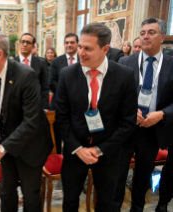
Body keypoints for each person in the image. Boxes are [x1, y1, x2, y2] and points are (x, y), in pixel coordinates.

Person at [55, 23, 137, 212]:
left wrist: (100, 150)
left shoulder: (124, 76)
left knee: (105, 203)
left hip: (108, 153)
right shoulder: (67, 74)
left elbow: (128, 122)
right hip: (75, 152)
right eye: (80, 47)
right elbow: (62, 117)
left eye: (88, 48)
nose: (80, 52)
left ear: (105, 49)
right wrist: (78, 148)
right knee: (70, 201)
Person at [0, 29, 53, 212]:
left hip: (31, 145)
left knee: (30, 194)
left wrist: (2, 148)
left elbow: (31, 121)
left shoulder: (26, 75)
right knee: (6, 192)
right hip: (5, 145)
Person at [112, 18, 173, 212]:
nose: (145, 36)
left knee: (142, 179)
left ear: (162, 37)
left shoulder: (172, 63)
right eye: (142, 32)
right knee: (118, 176)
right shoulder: (124, 61)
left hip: (153, 131)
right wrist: (129, 110)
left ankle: (137, 209)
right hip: (126, 129)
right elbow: (114, 95)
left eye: (151, 32)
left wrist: (162, 114)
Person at [49, 33, 79, 154]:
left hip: (78, 107)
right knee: (56, 136)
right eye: (67, 42)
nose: (69, 45)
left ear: (77, 44)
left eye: (72, 42)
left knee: (75, 138)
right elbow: (51, 82)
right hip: (59, 106)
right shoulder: (56, 61)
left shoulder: (83, 60)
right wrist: (68, 95)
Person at [14, 33, 49, 109]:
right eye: (23, 42)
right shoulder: (12, 63)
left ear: (33, 46)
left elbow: (44, 87)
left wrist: (44, 107)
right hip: (16, 106)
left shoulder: (41, 63)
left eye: (28, 42)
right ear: (19, 44)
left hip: (35, 105)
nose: (25, 44)